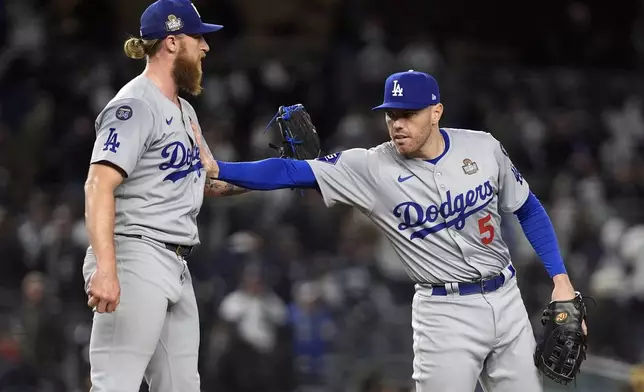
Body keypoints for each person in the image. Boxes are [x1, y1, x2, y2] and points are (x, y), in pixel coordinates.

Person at [193, 70, 587, 392]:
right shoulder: (370, 168)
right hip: (443, 313)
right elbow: (288, 170)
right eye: (391, 114)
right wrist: (219, 168)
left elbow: (528, 208)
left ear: (436, 112)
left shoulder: (482, 148)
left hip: (506, 297)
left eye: (409, 113)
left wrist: (561, 280)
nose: (397, 124)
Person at [82, 0, 247, 390]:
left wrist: (287, 172)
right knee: (114, 385)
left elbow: (208, 182)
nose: (205, 47)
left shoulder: (185, 111)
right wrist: (107, 267)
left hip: (176, 261)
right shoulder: (135, 104)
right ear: (172, 42)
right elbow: (98, 184)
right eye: (198, 37)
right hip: (136, 253)